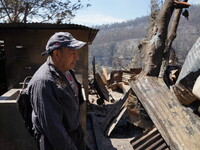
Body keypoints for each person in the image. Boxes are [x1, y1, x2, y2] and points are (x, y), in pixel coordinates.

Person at [27, 32, 86, 150]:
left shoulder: (66, 71)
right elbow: (54, 130)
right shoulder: (44, 82)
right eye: (72, 53)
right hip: (56, 144)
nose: (77, 57)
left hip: (73, 134)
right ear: (57, 53)